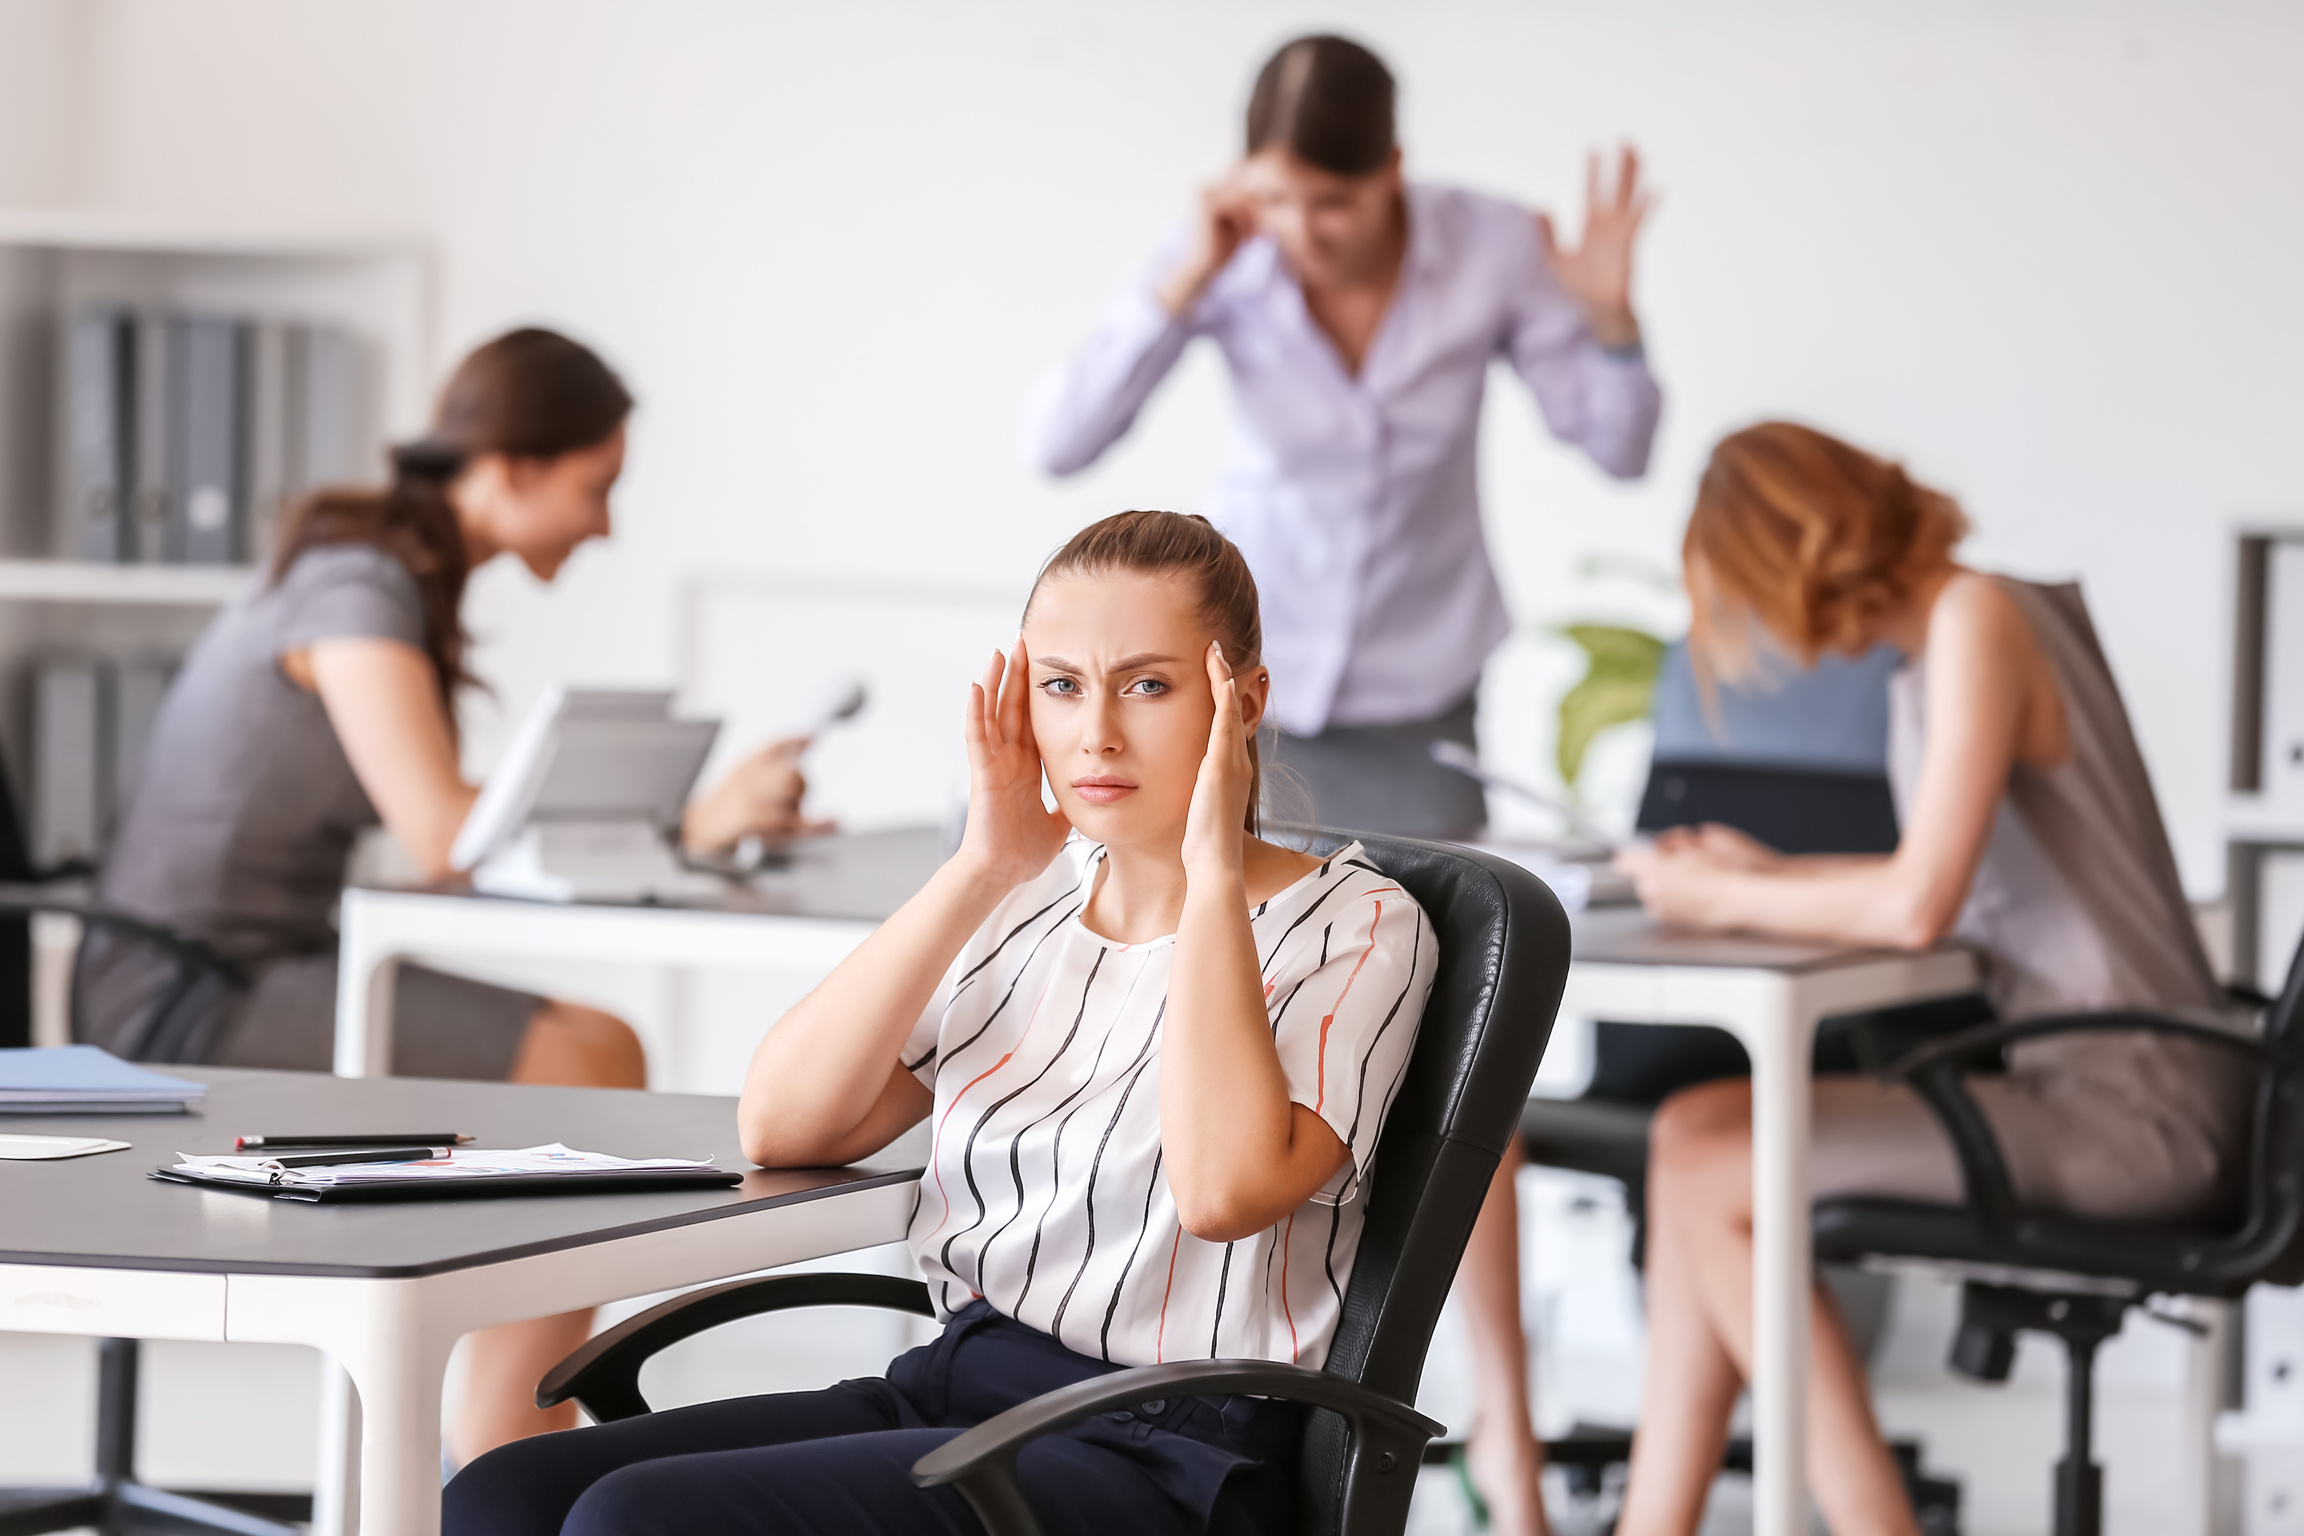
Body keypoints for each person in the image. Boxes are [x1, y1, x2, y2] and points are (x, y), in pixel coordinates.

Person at [444, 510, 1440, 1536]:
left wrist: (1212, 871)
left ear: (1243, 701)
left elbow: (1223, 1190)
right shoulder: (1031, 906)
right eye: (1062, 686)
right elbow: (785, 1126)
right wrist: (982, 868)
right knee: (502, 1496)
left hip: (1165, 1444)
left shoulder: (1357, 923)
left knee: (635, 1520)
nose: (1096, 731)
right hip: (961, 1384)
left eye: (1147, 684)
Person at [1023, 35, 1661, 1530]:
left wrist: (1610, 324)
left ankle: (1491, 1432)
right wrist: (1185, 271)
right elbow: (1061, 438)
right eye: (1281, 204)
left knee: (1451, 1076)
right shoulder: (1230, 260)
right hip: (1250, 722)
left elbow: (1620, 444)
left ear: (1391, 171)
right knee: (1240, 1050)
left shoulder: (1493, 243)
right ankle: (1216, 1373)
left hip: (1425, 706)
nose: (1307, 238)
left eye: (1336, 205)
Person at [76, 327, 823, 1465]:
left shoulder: (385, 575)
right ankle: (500, 1464)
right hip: (185, 998)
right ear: (512, 465)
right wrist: (691, 824)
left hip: (253, 964)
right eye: (597, 486)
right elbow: (440, 829)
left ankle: (500, 1450)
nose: (605, 523)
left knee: (596, 1052)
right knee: (588, 1058)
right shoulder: (355, 583)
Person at [1610, 422, 2246, 1536]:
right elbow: (1938, 871)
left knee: (1713, 1169)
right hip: (2093, 1083)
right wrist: (1772, 873)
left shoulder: (1977, 618)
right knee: (1692, 1135)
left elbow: (1919, 904)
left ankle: (1873, 1528)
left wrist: (1723, 900)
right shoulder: (1943, 644)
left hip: (2137, 1105)